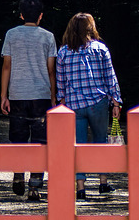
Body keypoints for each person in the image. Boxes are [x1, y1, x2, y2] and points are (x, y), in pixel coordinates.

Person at [55, 12, 122, 201]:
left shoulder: (63, 52)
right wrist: (116, 101)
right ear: (90, 28)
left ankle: (80, 187)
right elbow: (110, 77)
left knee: (78, 145)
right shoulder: (100, 49)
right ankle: (102, 182)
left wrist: (62, 102)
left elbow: (61, 83)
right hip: (98, 103)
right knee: (101, 140)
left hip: (74, 104)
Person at [0, 0, 57, 202]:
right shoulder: (48, 37)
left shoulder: (11, 35)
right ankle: (35, 185)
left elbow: (7, 65)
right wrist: (53, 96)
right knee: (40, 141)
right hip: (41, 94)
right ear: (41, 15)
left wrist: (4, 95)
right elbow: (51, 70)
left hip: (17, 94)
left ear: (21, 14)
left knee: (18, 138)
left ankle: (17, 174)